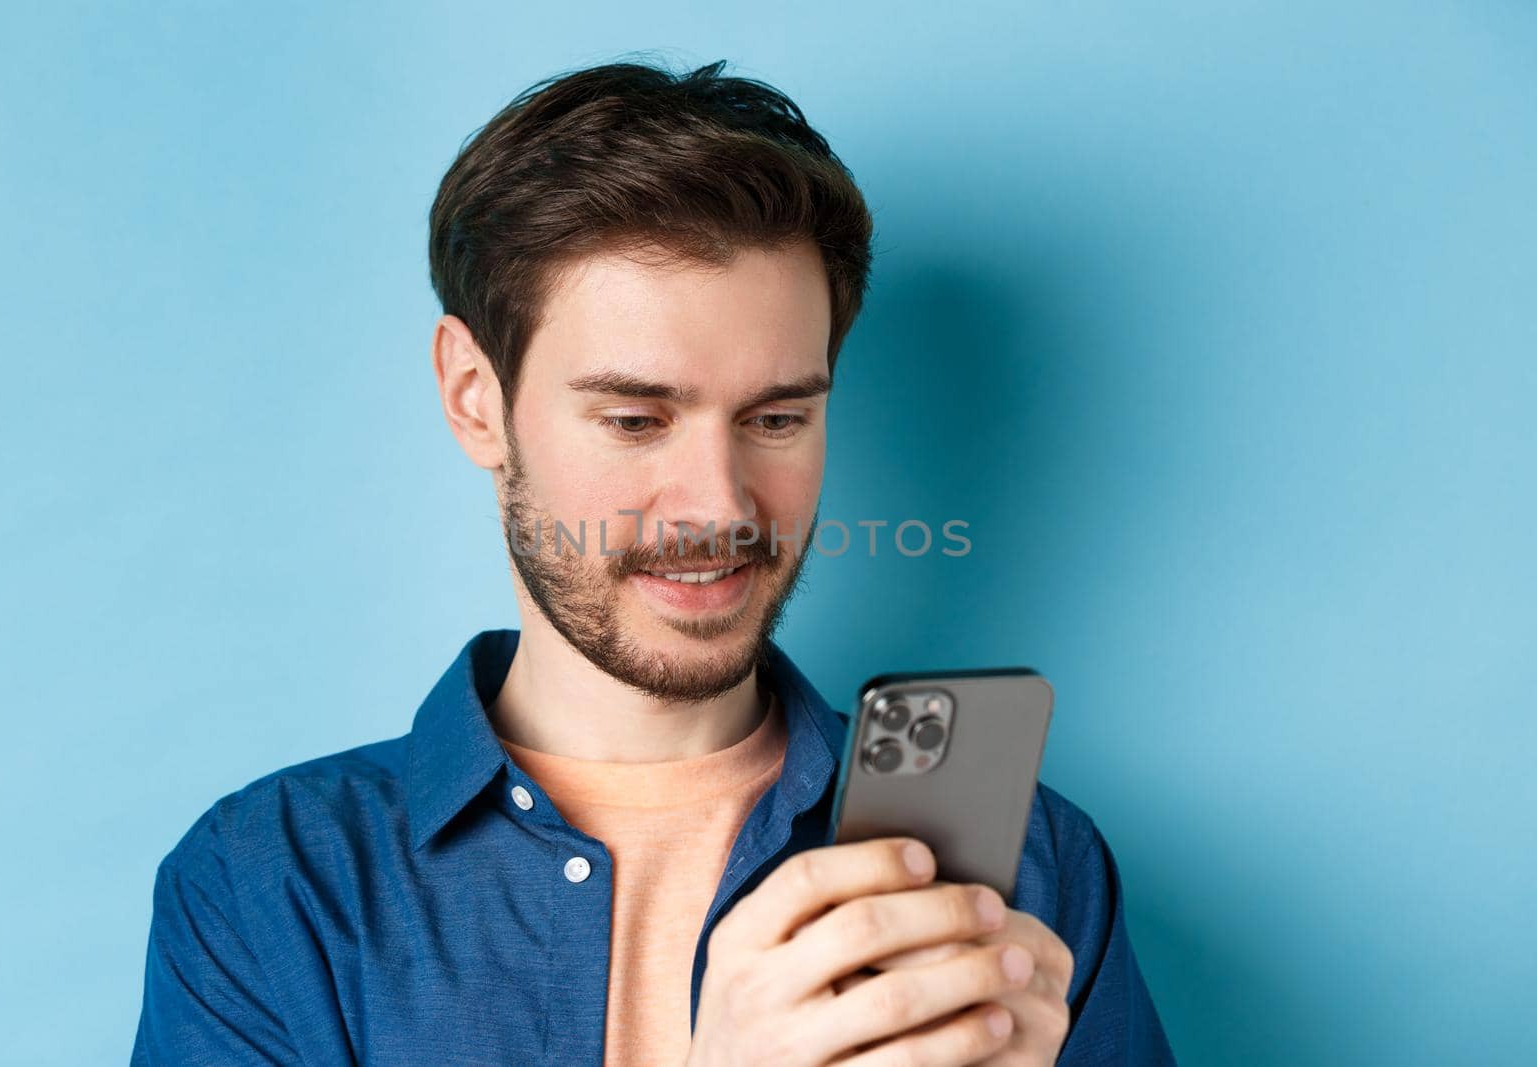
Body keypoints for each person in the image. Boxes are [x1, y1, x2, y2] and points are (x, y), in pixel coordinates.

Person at [131, 58, 1174, 1066]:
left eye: (776, 417)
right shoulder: (268, 885)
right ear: (473, 397)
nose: (717, 506)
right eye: (635, 418)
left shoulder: (1036, 866)